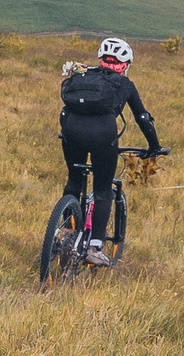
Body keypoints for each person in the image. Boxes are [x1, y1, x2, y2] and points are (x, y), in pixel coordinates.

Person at [58, 35, 161, 263]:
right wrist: (154, 146)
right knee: (103, 189)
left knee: (74, 181)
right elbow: (142, 117)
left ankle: (67, 231)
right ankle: (94, 248)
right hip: (103, 135)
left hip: (71, 131)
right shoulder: (125, 83)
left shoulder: (83, 74)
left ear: (100, 58)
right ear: (125, 64)